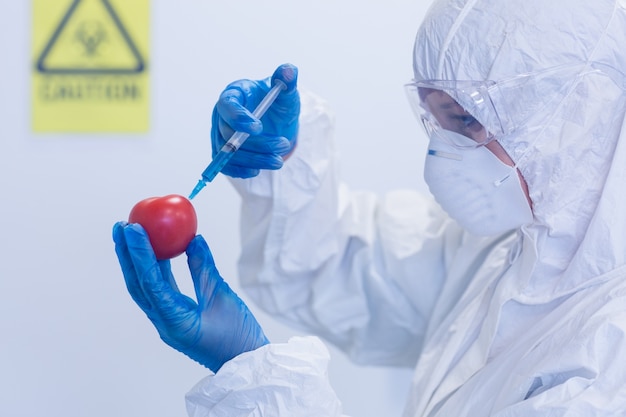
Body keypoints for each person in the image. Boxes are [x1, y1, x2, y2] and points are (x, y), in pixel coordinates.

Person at [114, 0, 626, 415]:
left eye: (467, 119)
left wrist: (259, 386)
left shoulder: (608, 358)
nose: (441, 154)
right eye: (435, 118)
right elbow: (344, 272)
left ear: (578, 112)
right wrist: (287, 158)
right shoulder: (516, 248)